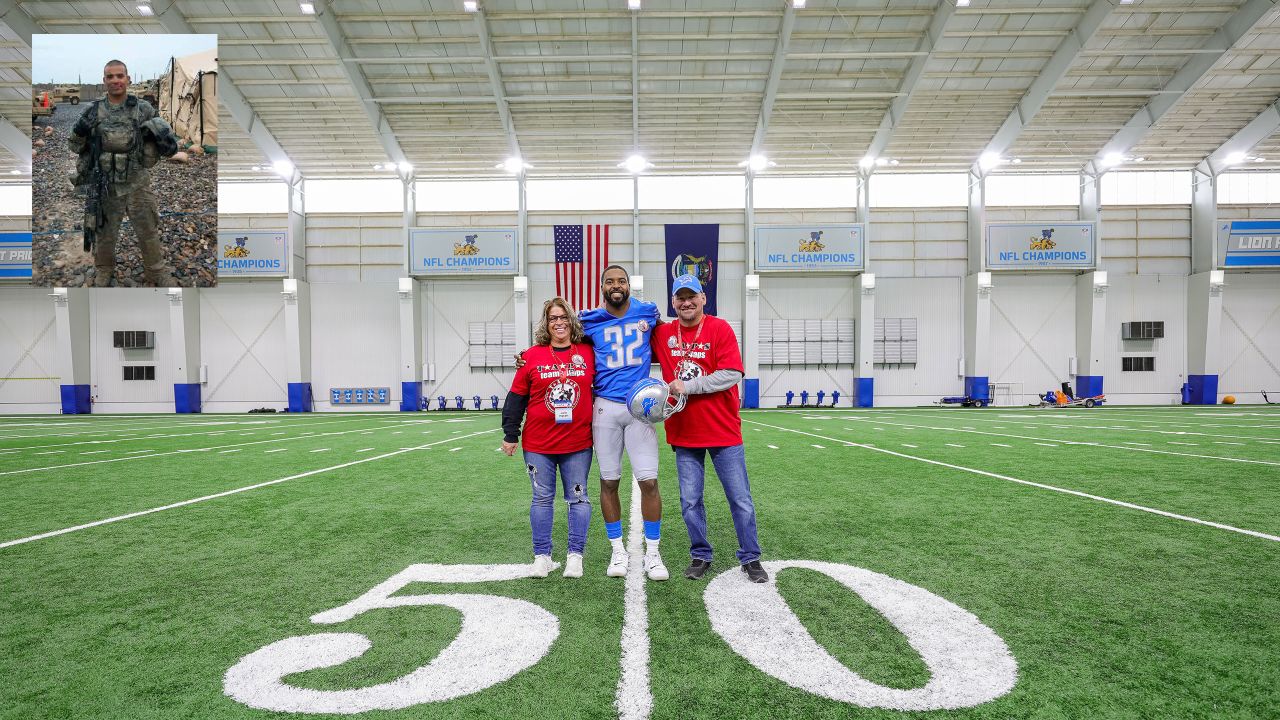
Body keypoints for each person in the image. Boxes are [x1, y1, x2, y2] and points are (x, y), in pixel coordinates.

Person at [653, 274, 767, 583]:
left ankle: (751, 557)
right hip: (685, 432)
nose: (686, 302)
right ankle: (701, 554)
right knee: (690, 501)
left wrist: (687, 385)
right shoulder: (663, 334)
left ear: (704, 298)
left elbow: (731, 373)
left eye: (692, 296)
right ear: (673, 302)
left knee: (740, 499)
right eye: (680, 297)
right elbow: (628, 340)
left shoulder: (720, 328)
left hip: (722, 431)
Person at [501, 298, 596, 578]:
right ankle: (542, 556)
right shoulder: (531, 356)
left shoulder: (589, 352)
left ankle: (575, 555)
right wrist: (510, 433)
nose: (559, 323)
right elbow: (516, 398)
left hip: (577, 443)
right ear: (546, 323)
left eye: (564, 317)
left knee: (578, 498)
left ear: (572, 320)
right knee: (542, 499)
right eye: (553, 318)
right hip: (538, 444)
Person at [69, 59, 178, 287]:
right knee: (105, 233)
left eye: (120, 76)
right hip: (106, 185)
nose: (116, 80)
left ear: (128, 79)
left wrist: (163, 139)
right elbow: (76, 147)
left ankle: (156, 271)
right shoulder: (93, 112)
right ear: (104, 81)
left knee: (148, 229)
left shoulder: (144, 109)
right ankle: (104, 269)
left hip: (138, 183)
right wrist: (79, 132)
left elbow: (166, 144)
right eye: (110, 76)